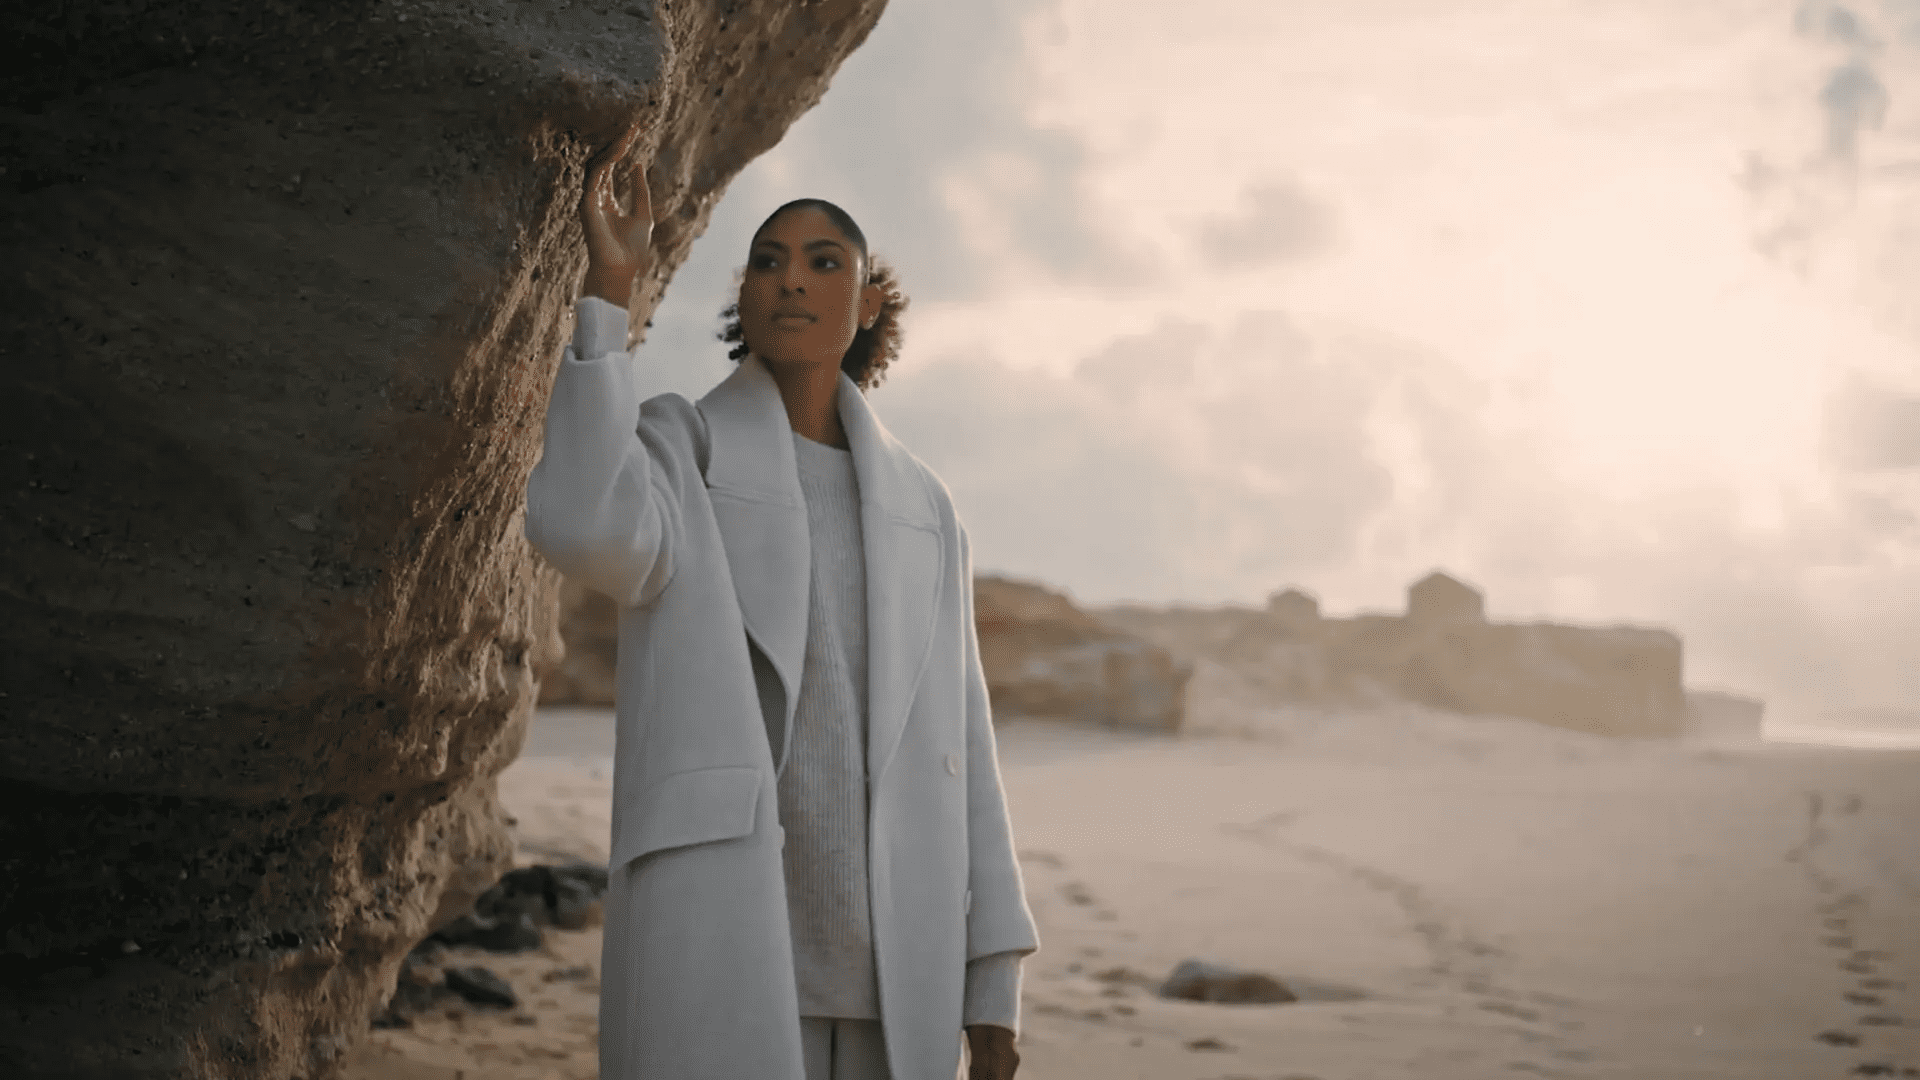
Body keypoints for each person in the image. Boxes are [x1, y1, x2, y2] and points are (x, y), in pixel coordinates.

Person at [524, 125, 1040, 1080]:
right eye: (767, 262)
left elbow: (966, 746)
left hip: (898, 965)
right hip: (725, 924)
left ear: (870, 300)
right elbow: (585, 529)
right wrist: (609, 296)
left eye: (821, 260)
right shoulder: (686, 448)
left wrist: (992, 981)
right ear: (746, 299)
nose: (790, 280)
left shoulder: (925, 506)